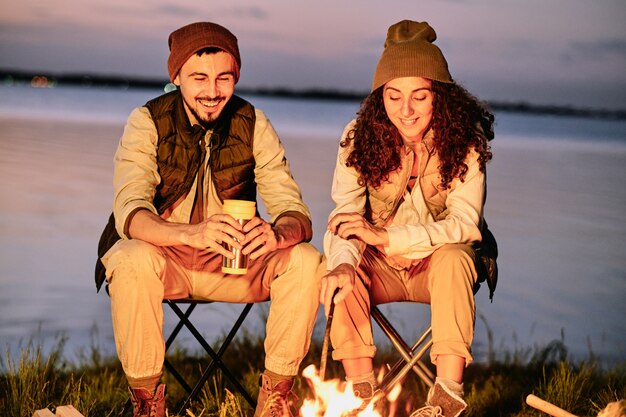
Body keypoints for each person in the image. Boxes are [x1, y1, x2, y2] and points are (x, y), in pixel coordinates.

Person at [95, 22, 322, 417]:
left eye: (224, 78)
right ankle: (148, 405)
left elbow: (295, 211)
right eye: (199, 77)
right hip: (166, 264)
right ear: (176, 76)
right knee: (129, 257)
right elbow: (129, 213)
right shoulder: (147, 121)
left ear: (236, 76)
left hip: (235, 267)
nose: (212, 91)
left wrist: (276, 233)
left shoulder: (253, 123)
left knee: (305, 259)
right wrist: (191, 233)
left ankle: (275, 400)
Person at [320, 20, 497, 417]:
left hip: (435, 270)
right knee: (337, 265)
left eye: (420, 96)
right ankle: (361, 391)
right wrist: (345, 262)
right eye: (393, 95)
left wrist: (383, 237)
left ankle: (447, 396)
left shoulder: (463, 144)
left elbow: (466, 225)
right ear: (379, 96)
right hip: (380, 268)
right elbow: (345, 218)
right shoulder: (357, 138)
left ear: (441, 96)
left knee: (454, 256)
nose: (406, 110)